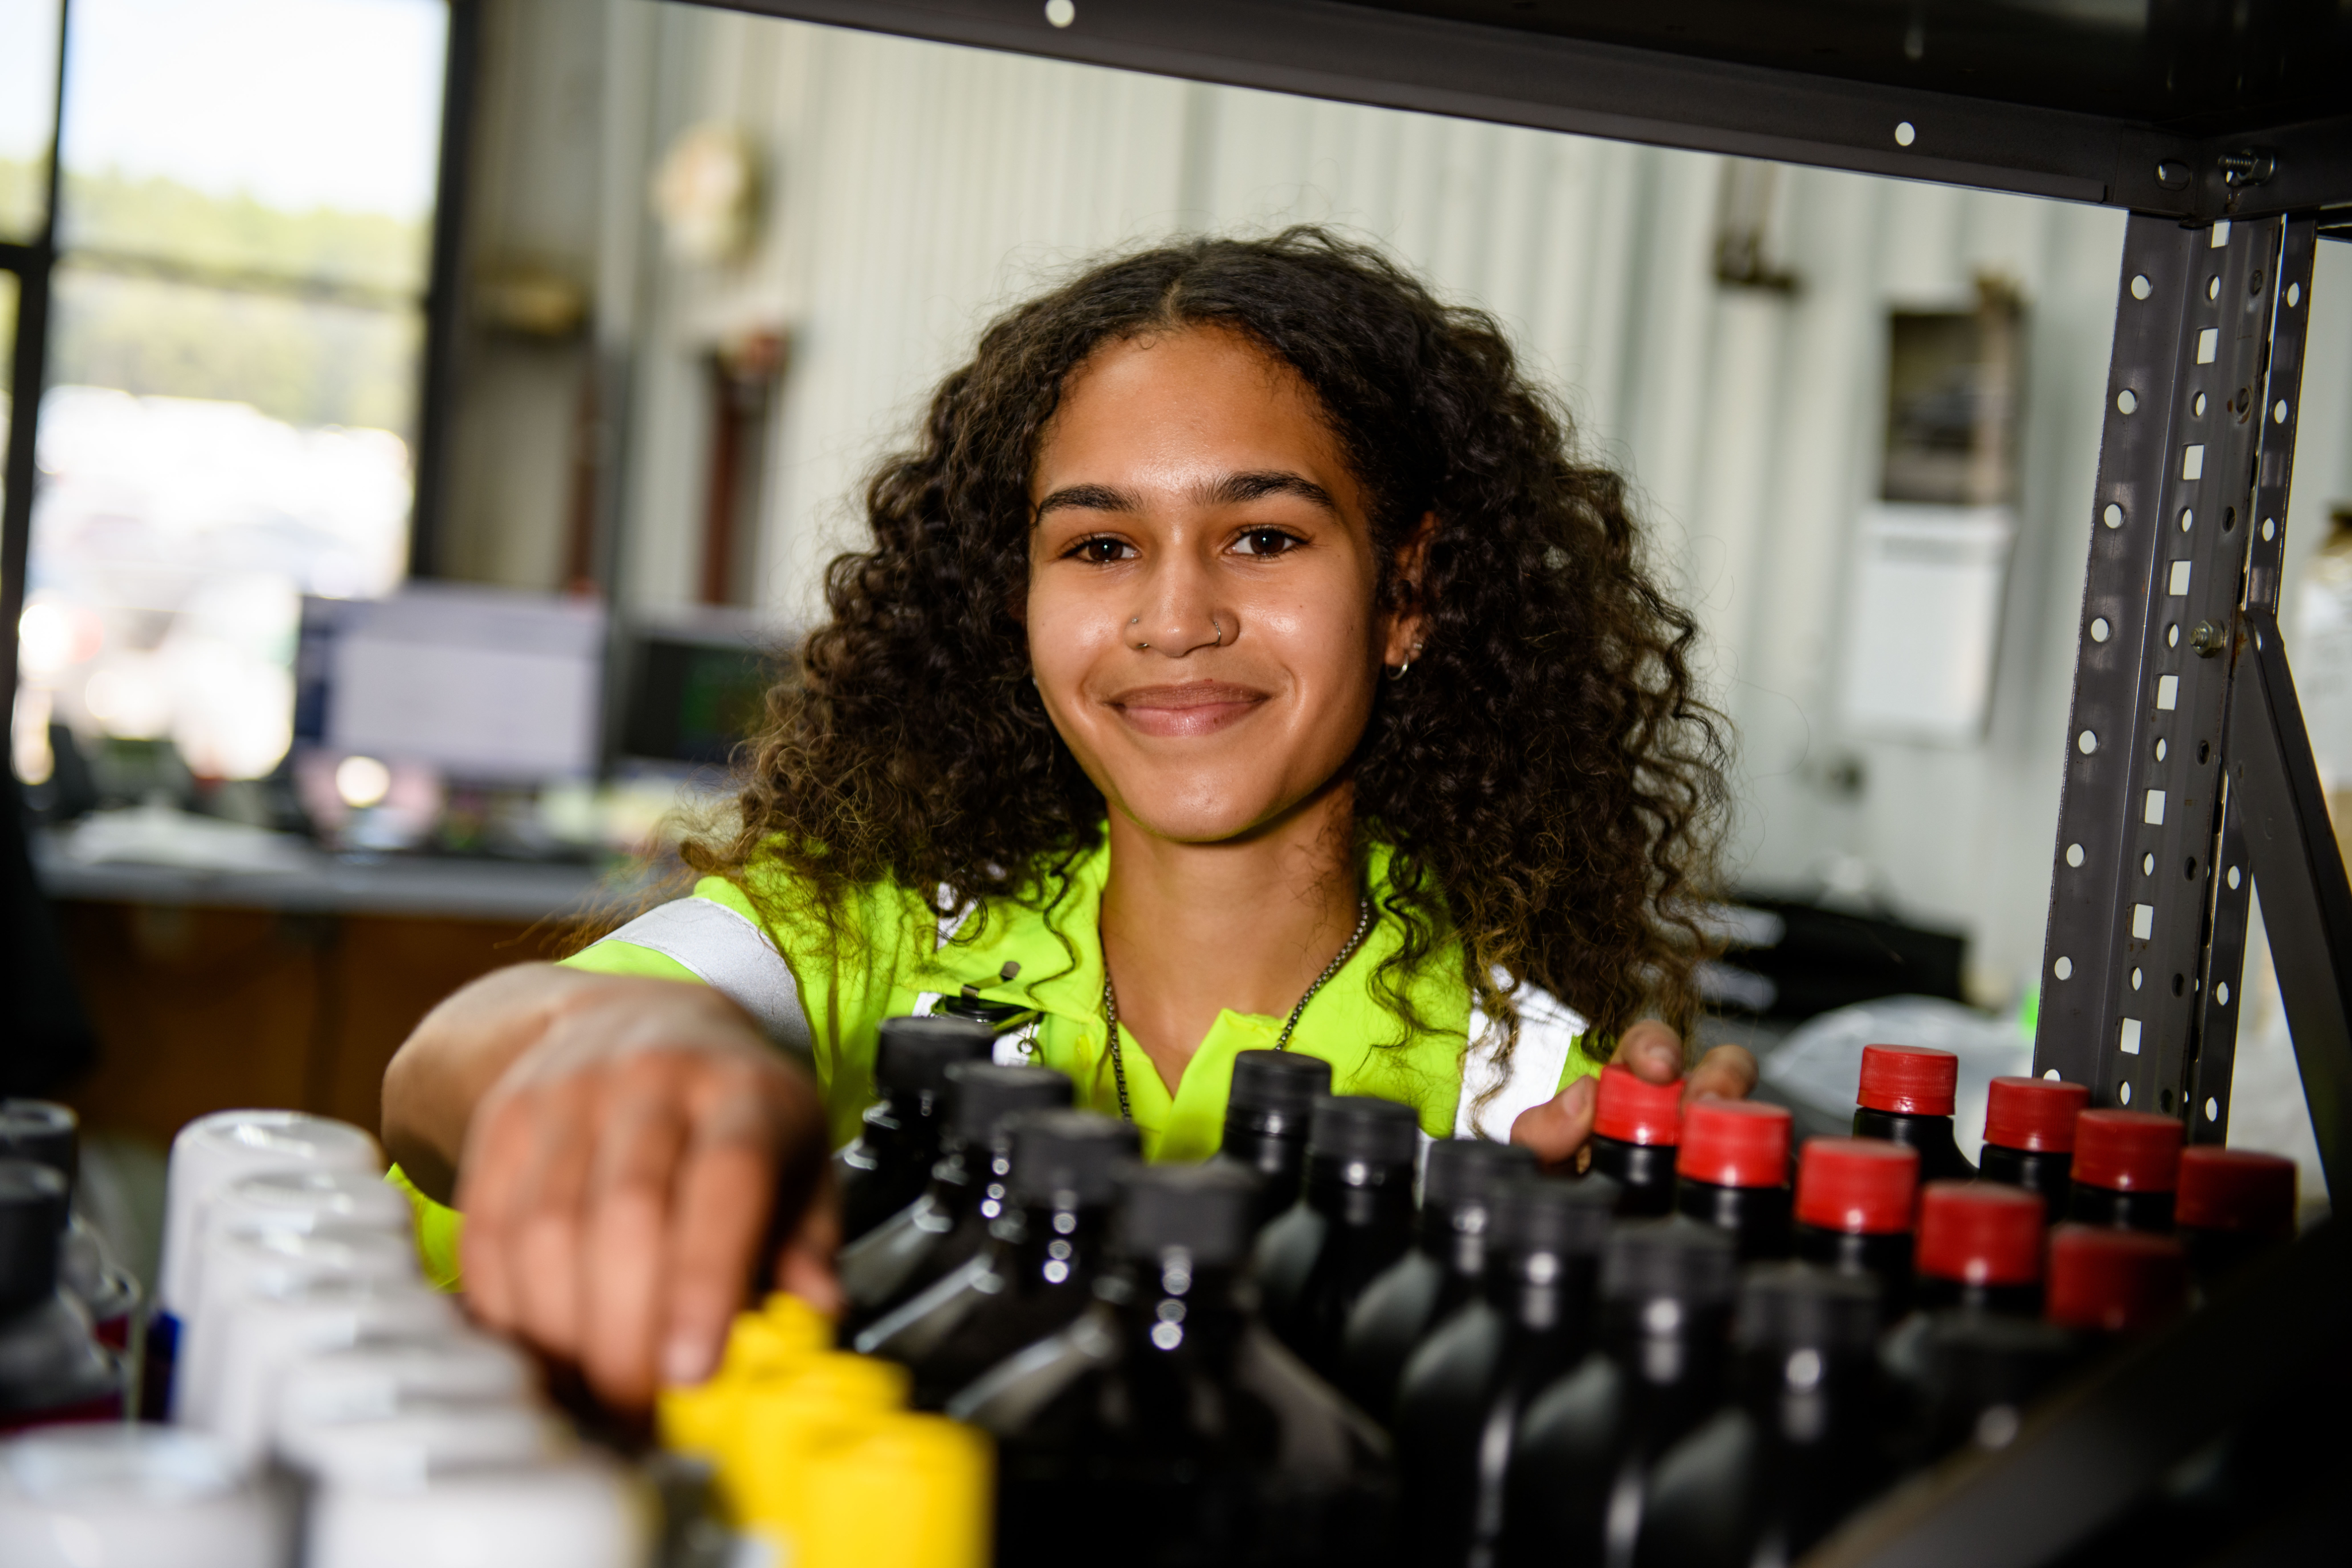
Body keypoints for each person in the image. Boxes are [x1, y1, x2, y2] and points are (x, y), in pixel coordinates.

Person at [380, 229, 1757, 1410]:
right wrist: (621, 1044)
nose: (1174, 619)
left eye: (1263, 536)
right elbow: (447, 1071)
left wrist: (1628, 1249)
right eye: (1098, 547)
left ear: (1407, 595)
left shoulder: (1509, 1072)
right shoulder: (856, 936)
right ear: (1018, 602)